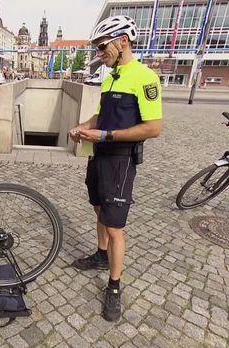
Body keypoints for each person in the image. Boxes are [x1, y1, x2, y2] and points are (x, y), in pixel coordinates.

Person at [69, 15, 163, 322]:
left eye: (102, 46)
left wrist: (106, 135)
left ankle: (114, 285)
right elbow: (100, 115)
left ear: (122, 41)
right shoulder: (111, 76)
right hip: (98, 155)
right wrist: (84, 127)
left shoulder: (145, 77)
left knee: (115, 225)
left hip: (121, 160)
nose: (99, 53)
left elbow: (153, 128)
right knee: (98, 209)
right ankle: (100, 254)